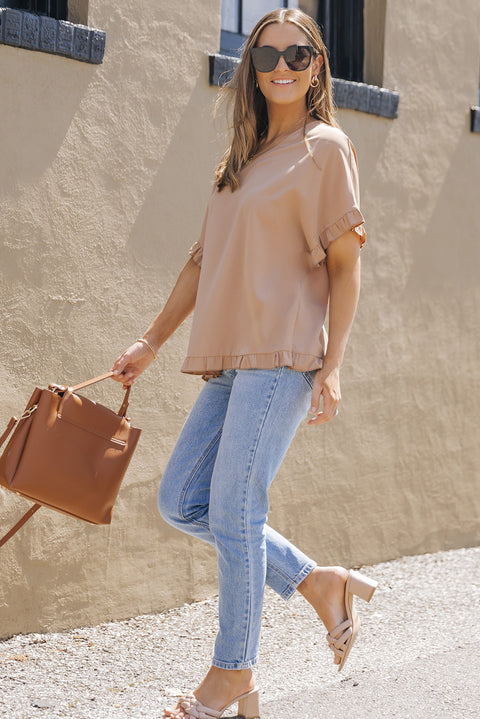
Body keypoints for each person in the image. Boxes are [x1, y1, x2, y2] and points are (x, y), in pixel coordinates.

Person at [112, 8, 377, 719]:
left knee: (234, 508)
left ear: (318, 65)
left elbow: (347, 267)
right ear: (251, 71)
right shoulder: (241, 159)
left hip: (284, 352)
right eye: (266, 57)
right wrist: (151, 339)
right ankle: (320, 583)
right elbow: (203, 262)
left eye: (297, 54)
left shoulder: (327, 149)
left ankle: (231, 675)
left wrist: (334, 364)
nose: (282, 67)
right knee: (182, 500)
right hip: (230, 358)